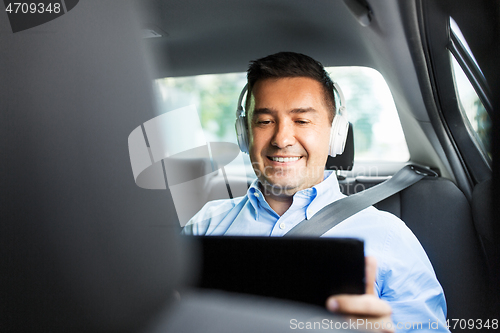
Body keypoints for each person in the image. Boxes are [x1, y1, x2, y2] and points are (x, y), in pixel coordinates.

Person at [183, 52, 449, 333]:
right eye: (264, 122)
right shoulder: (205, 225)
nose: (282, 139)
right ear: (244, 134)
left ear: (336, 135)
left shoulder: (388, 237)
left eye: (302, 121)